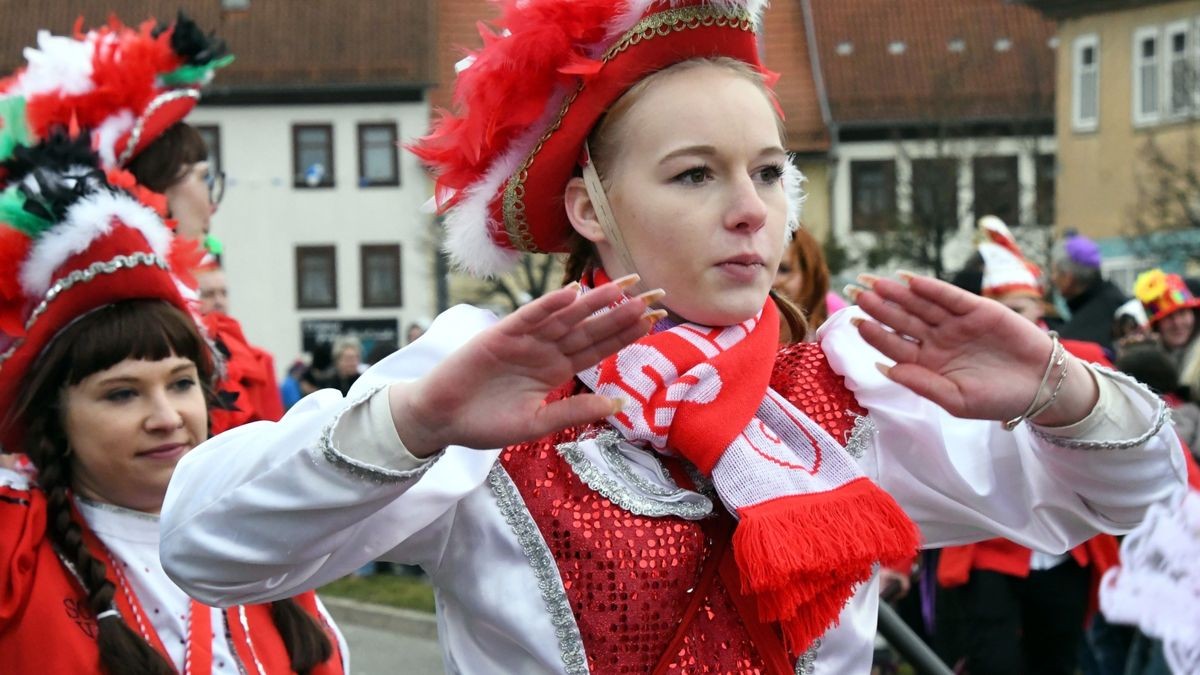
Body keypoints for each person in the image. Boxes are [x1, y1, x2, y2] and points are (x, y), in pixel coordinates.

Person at [161, 2, 1187, 673]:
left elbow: (1124, 501)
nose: (751, 211)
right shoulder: (490, 378)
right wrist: (415, 422)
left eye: (770, 170)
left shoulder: (839, 390)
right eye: (694, 174)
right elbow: (207, 548)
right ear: (592, 208)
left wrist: (1062, 387)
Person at [0, 128, 346, 673]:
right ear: (56, 417)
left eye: (182, 383)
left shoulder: (266, 544)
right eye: (121, 394)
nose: (167, 419)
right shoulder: (15, 548)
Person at [934, 217, 1119, 675]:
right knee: (993, 662)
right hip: (991, 546)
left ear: (1041, 311)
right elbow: (925, 459)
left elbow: (1134, 432)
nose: (1020, 327)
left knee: (1057, 661)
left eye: (1025, 313)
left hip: (1064, 548)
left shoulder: (1084, 360)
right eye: (1005, 315)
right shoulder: (961, 375)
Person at [1051, 232, 1128, 353]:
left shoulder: (1073, 336)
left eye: (1055, 272)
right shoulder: (1117, 299)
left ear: (1068, 278)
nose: (1053, 278)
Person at [1135, 268, 1200, 402]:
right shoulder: (1148, 360)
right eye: (1169, 317)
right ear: (1156, 327)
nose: (1177, 323)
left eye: (1182, 313)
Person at [773, 228, 834, 331]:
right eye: (758, 266)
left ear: (811, 276)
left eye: (783, 269)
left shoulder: (838, 340)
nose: (771, 281)